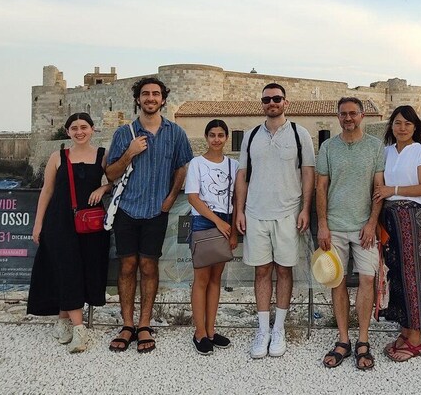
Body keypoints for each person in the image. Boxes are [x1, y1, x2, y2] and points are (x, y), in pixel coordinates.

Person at [106, 77, 193, 353]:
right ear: (138, 99)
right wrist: (129, 154)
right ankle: (127, 325)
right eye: (145, 94)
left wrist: (171, 198)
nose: (151, 98)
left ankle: (144, 324)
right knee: (127, 266)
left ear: (163, 99)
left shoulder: (175, 133)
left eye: (156, 94)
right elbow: (110, 173)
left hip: (157, 210)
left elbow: (182, 167)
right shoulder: (124, 133)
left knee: (148, 266)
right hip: (127, 209)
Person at [235, 83, 316, 359]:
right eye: (267, 99)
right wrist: (239, 211)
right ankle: (262, 330)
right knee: (261, 271)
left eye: (277, 98)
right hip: (256, 213)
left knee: (284, 270)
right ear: (262, 103)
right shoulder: (250, 136)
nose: (272, 102)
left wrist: (305, 209)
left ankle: (278, 328)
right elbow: (242, 175)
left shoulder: (300, 134)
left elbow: (308, 173)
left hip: (288, 213)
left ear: (285, 102)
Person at [28, 112, 111, 353]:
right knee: (67, 269)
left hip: (91, 224)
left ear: (92, 129)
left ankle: (63, 321)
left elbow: (116, 180)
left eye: (84, 127)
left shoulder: (103, 155)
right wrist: (38, 224)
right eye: (74, 128)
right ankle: (79, 329)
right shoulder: (58, 156)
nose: (79, 131)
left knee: (84, 270)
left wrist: (103, 188)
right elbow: (47, 191)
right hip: (59, 223)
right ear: (67, 132)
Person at [316, 97, 385, 370]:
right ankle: (343, 340)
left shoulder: (375, 146)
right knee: (337, 282)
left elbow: (378, 188)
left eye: (353, 113)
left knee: (367, 279)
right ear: (338, 116)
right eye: (343, 114)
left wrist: (372, 222)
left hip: (364, 227)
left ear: (362, 115)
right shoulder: (328, 147)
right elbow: (321, 188)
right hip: (334, 226)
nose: (348, 118)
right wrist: (323, 224)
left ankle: (363, 340)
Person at [372, 105, 421, 361]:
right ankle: (406, 330)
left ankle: (416, 338)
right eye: (398, 123)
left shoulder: (420, 151)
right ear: (391, 126)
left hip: (411, 217)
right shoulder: (385, 152)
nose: (402, 128)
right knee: (397, 274)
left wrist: (392, 190)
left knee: (414, 274)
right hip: (390, 217)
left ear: (415, 127)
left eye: (408, 123)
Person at [185, 119, 238, 355]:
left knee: (216, 279)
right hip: (204, 221)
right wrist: (218, 221)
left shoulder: (234, 165)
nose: (216, 139)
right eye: (212, 135)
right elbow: (193, 197)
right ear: (206, 137)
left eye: (220, 135)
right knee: (201, 279)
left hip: (226, 222)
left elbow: (236, 199)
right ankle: (199, 332)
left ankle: (211, 330)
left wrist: (233, 230)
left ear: (226, 138)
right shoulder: (196, 163)